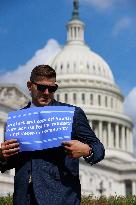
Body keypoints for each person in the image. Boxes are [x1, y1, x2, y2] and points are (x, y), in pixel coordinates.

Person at [0, 65, 105, 205]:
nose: (47, 92)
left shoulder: (71, 114)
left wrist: (87, 150)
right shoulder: (18, 119)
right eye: (42, 88)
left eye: (52, 88)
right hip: (24, 198)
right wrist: (2, 156)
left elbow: (99, 148)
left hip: (60, 198)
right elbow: (11, 162)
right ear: (30, 86)